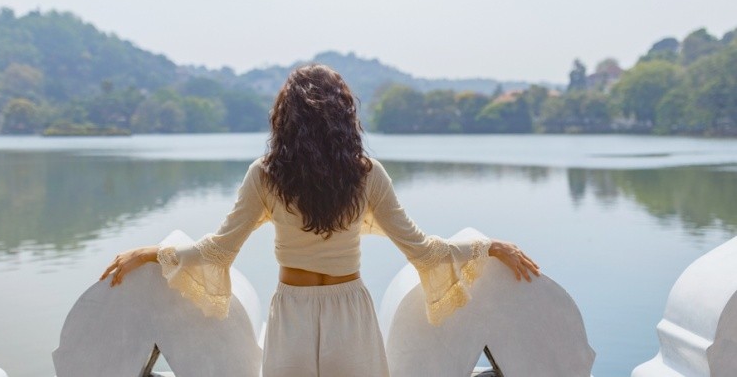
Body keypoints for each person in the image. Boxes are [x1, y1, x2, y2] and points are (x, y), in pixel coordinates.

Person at [99, 64, 540, 376]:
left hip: (292, 311)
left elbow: (217, 250)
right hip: (352, 313)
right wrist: (489, 246)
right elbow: (422, 250)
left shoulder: (267, 174)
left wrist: (149, 252)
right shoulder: (367, 173)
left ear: (284, 118)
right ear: (344, 115)